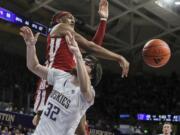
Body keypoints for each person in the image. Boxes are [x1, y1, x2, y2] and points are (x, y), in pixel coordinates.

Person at [20, 26, 102, 135]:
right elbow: (33, 66)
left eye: (87, 64)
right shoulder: (61, 76)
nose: (83, 62)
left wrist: (78, 54)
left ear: (92, 76)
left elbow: (84, 88)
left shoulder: (89, 93)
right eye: (84, 60)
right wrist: (30, 46)